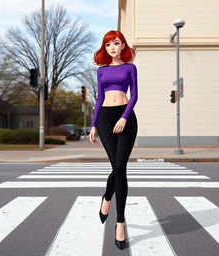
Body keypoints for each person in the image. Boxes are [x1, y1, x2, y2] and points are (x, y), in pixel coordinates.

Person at [89, 30, 138, 250]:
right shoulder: (102, 71)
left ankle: (119, 221)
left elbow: (134, 94)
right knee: (116, 167)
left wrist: (125, 117)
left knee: (120, 166)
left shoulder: (130, 68)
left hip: (125, 117)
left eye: (115, 44)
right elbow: (99, 98)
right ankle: (107, 198)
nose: (111, 48)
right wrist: (93, 124)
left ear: (122, 46)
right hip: (106, 121)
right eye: (108, 45)